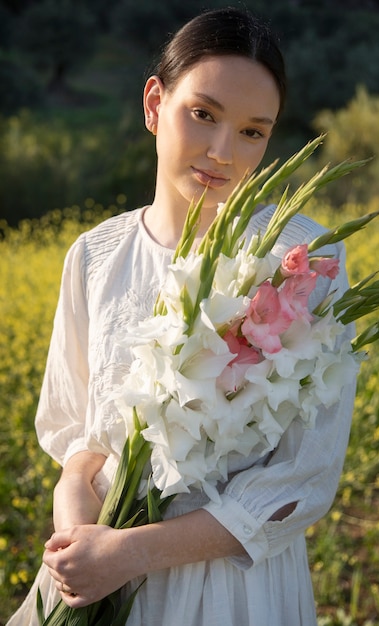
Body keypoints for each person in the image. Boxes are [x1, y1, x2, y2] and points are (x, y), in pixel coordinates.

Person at [7, 7, 356, 626]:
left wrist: (129, 553)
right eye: (204, 114)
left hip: (234, 592)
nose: (224, 152)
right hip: (96, 579)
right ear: (153, 104)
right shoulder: (94, 255)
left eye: (253, 131)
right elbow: (80, 446)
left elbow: (306, 476)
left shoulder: (302, 259)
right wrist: (75, 544)